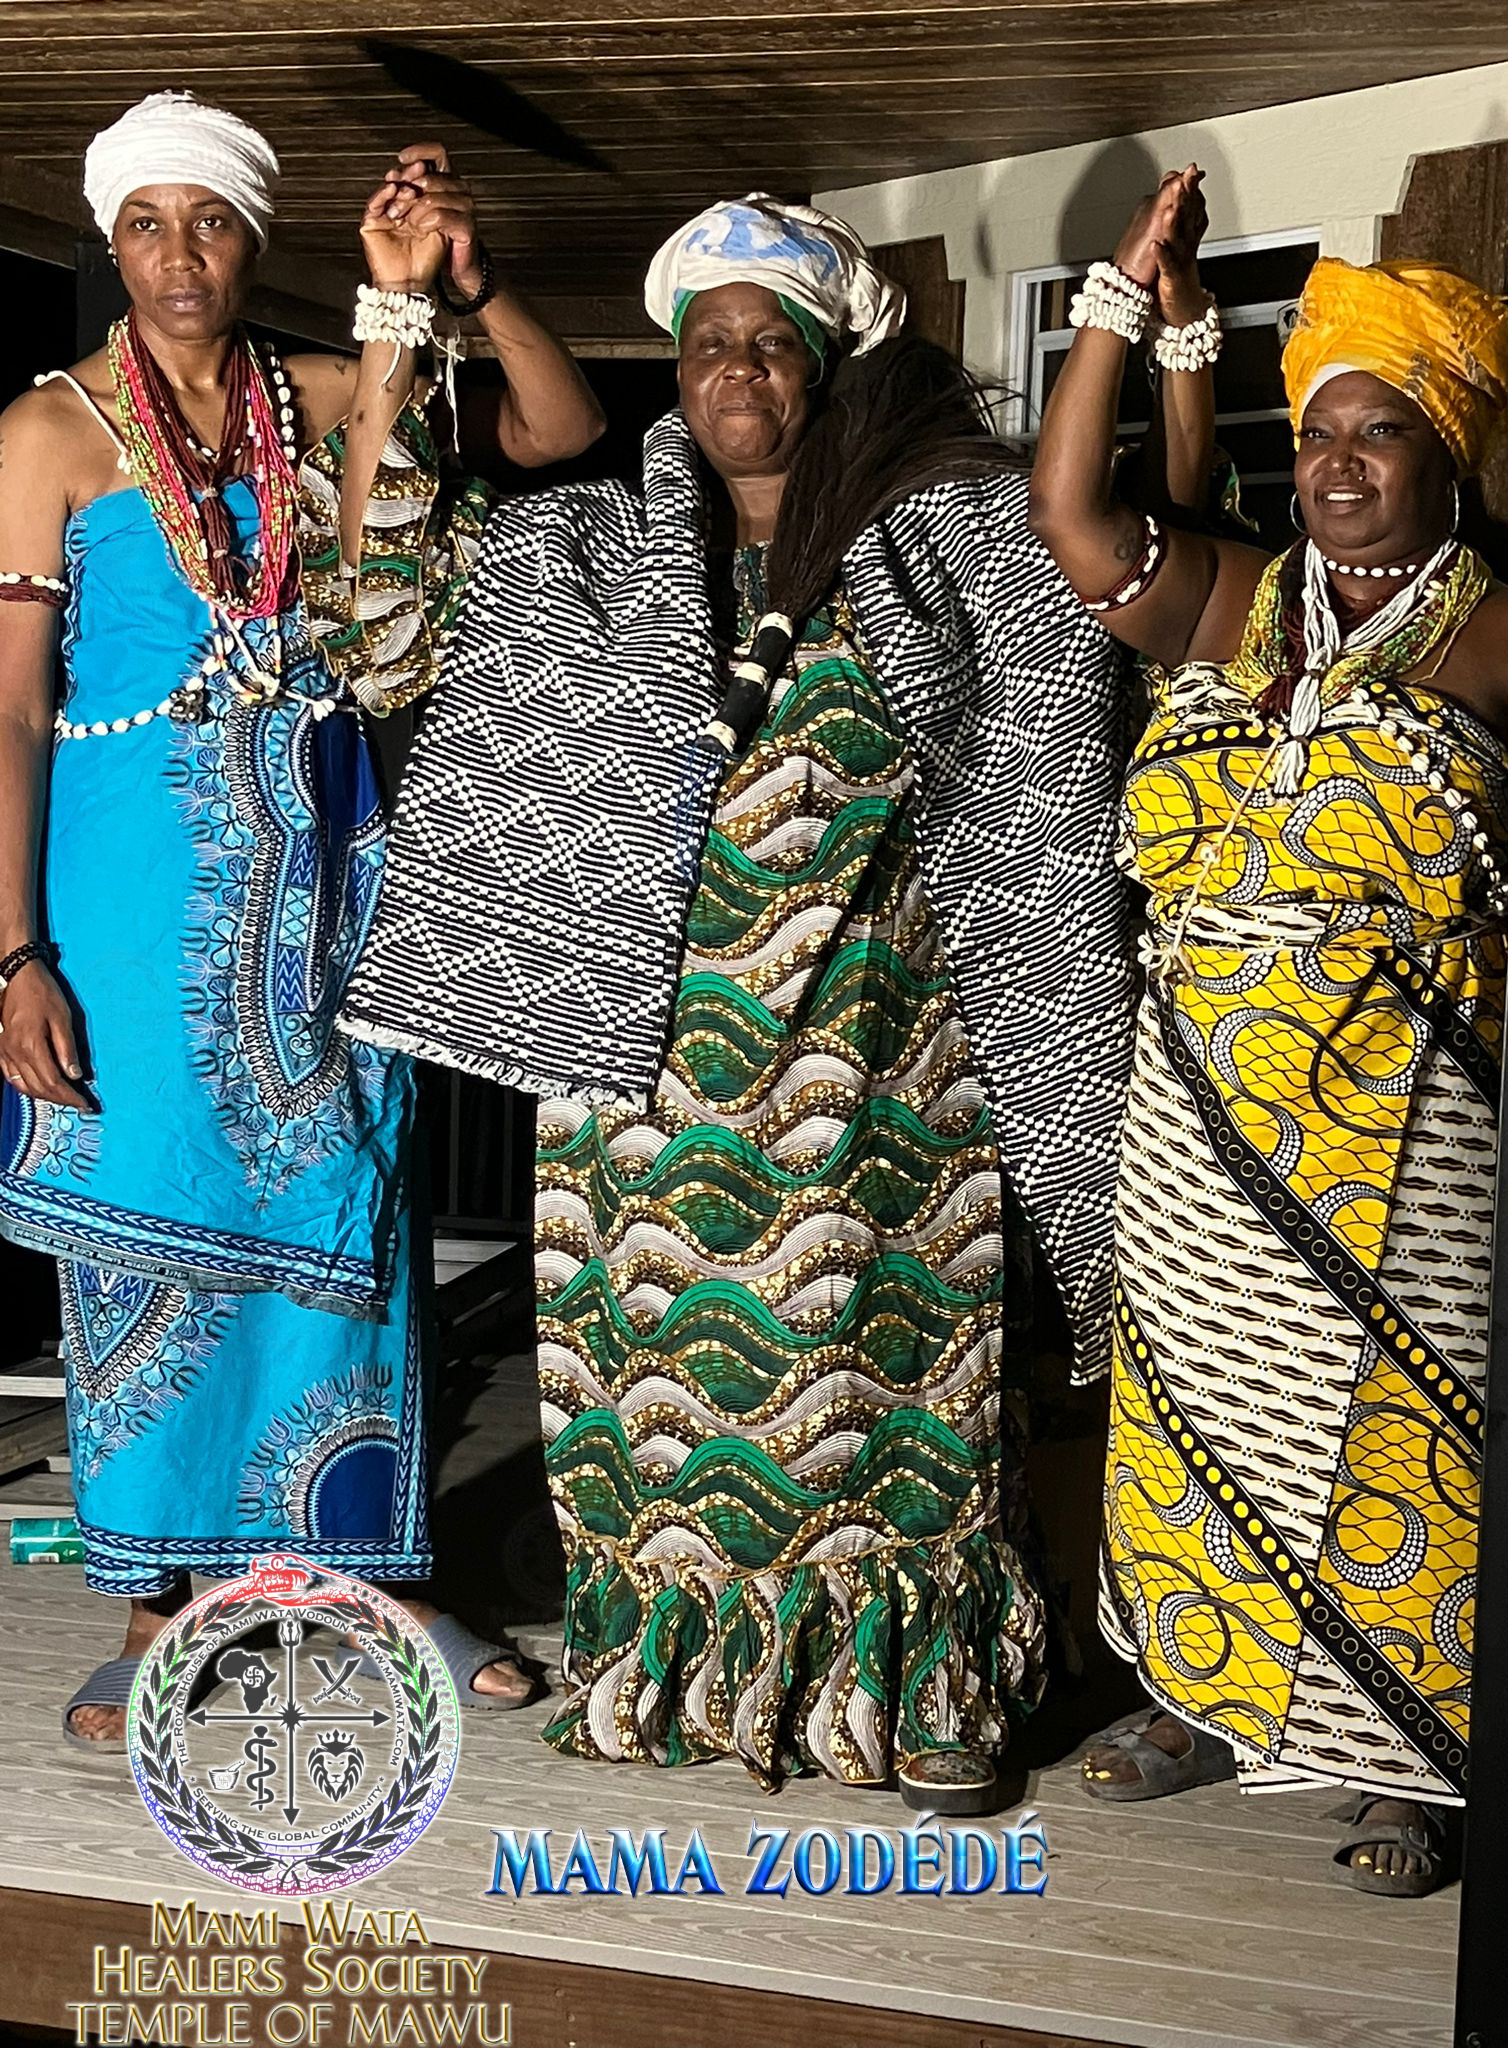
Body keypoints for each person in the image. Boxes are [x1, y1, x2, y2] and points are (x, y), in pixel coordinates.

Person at [340, 194, 1136, 1803]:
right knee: (662, 1418)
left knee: (894, 1399)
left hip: (878, 1074)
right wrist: (416, 318)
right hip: (637, 1091)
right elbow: (379, 612)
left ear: (828, 364)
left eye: (773, 341)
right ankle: (690, 1679)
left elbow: (1057, 734)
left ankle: (928, 1705)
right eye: (709, 345)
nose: (739, 372)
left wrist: (1132, 334)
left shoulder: (946, 534)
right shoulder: (598, 547)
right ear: (676, 372)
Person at [0, 91, 604, 1754]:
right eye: (144, 226)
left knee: (353, 1213)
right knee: (144, 1240)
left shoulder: (342, 388)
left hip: (333, 876)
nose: (178, 259)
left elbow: (554, 434)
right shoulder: (45, 433)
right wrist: (12, 954)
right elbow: (6, 710)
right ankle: (156, 1595)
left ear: (256, 239)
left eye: (209, 224)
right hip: (125, 900)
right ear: (107, 242)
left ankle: (374, 1570)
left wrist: (460, 288)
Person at [1027, 166, 1508, 1894]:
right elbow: (1074, 522)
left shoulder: (1506, 642)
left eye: (1379, 433)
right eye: (1318, 431)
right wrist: (1120, 298)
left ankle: (1418, 1762)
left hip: (1415, 1117)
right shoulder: (1239, 604)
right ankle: (1197, 1698)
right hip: (1199, 1107)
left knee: (1407, 1429)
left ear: (1445, 461)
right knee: (1193, 1421)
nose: (1336, 464)